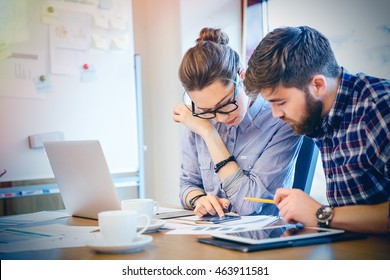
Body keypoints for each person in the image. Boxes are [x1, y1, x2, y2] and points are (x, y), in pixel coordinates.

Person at [244, 25, 390, 234]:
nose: (276, 114)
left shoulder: (379, 109)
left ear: (318, 85)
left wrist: (321, 214)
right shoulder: (321, 114)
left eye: (281, 102)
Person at [173, 27, 302, 218]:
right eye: (207, 111)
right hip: (211, 235)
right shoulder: (198, 118)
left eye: (225, 104)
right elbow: (188, 185)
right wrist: (199, 200)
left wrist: (210, 134)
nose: (220, 118)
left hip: (264, 240)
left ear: (241, 75)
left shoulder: (280, 120)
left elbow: (248, 204)